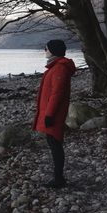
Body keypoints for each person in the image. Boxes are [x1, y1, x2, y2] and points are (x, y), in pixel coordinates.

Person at [33, 39, 76, 188]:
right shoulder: (56, 66)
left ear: (53, 50)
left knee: (55, 144)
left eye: (46, 48)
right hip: (51, 113)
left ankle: (59, 179)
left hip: (54, 114)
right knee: (53, 143)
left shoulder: (59, 68)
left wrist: (49, 115)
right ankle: (58, 177)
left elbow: (57, 94)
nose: (45, 50)